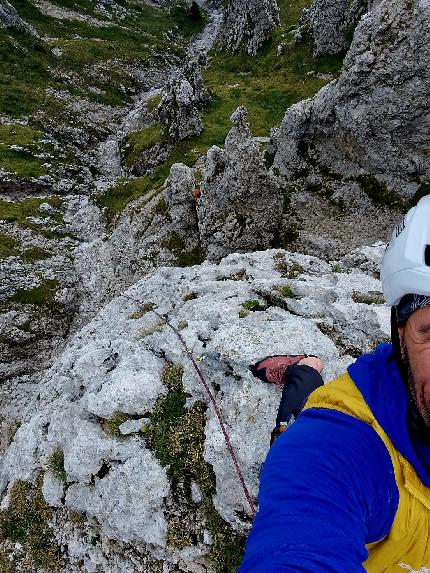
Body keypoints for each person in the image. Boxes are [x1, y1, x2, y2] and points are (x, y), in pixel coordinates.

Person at [239, 194, 430, 572]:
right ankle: (304, 369)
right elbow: (308, 511)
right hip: (323, 428)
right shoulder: (336, 450)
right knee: (289, 427)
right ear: (401, 334)